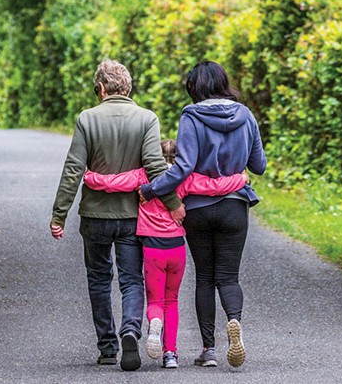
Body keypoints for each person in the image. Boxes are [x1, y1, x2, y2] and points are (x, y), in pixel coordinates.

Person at [50, 59, 184, 371]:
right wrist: (173, 203)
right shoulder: (146, 119)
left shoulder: (87, 119)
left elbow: (73, 170)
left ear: (101, 88)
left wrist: (59, 215)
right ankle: (130, 330)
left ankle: (108, 348)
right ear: (128, 88)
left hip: (94, 216)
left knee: (98, 278)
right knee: (131, 279)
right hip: (131, 217)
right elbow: (154, 166)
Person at [139, 61, 267, 368]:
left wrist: (152, 190)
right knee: (229, 276)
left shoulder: (191, 115)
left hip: (197, 208)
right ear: (224, 82)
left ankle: (209, 350)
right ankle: (234, 322)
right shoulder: (246, 115)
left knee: (205, 278)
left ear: (194, 88)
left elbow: (183, 168)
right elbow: (259, 165)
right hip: (234, 205)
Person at [83, 139, 250, 369]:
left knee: (155, 300)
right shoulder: (185, 177)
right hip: (176, 248)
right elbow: (213, 186)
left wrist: (90, 176)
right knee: (172, 299)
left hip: (152, 248)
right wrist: (239, 179)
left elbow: (114, 182)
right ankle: (170, 354)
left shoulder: (143, 176)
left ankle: (154, 325)